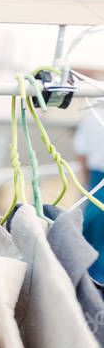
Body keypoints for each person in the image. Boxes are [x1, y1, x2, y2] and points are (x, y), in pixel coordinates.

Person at [73, 108, 104, 282]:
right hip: (97, 179)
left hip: (95, 181)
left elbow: (82, 154)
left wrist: (87, 184)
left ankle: (90, 288)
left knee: (91, 238)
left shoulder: (92, 114)